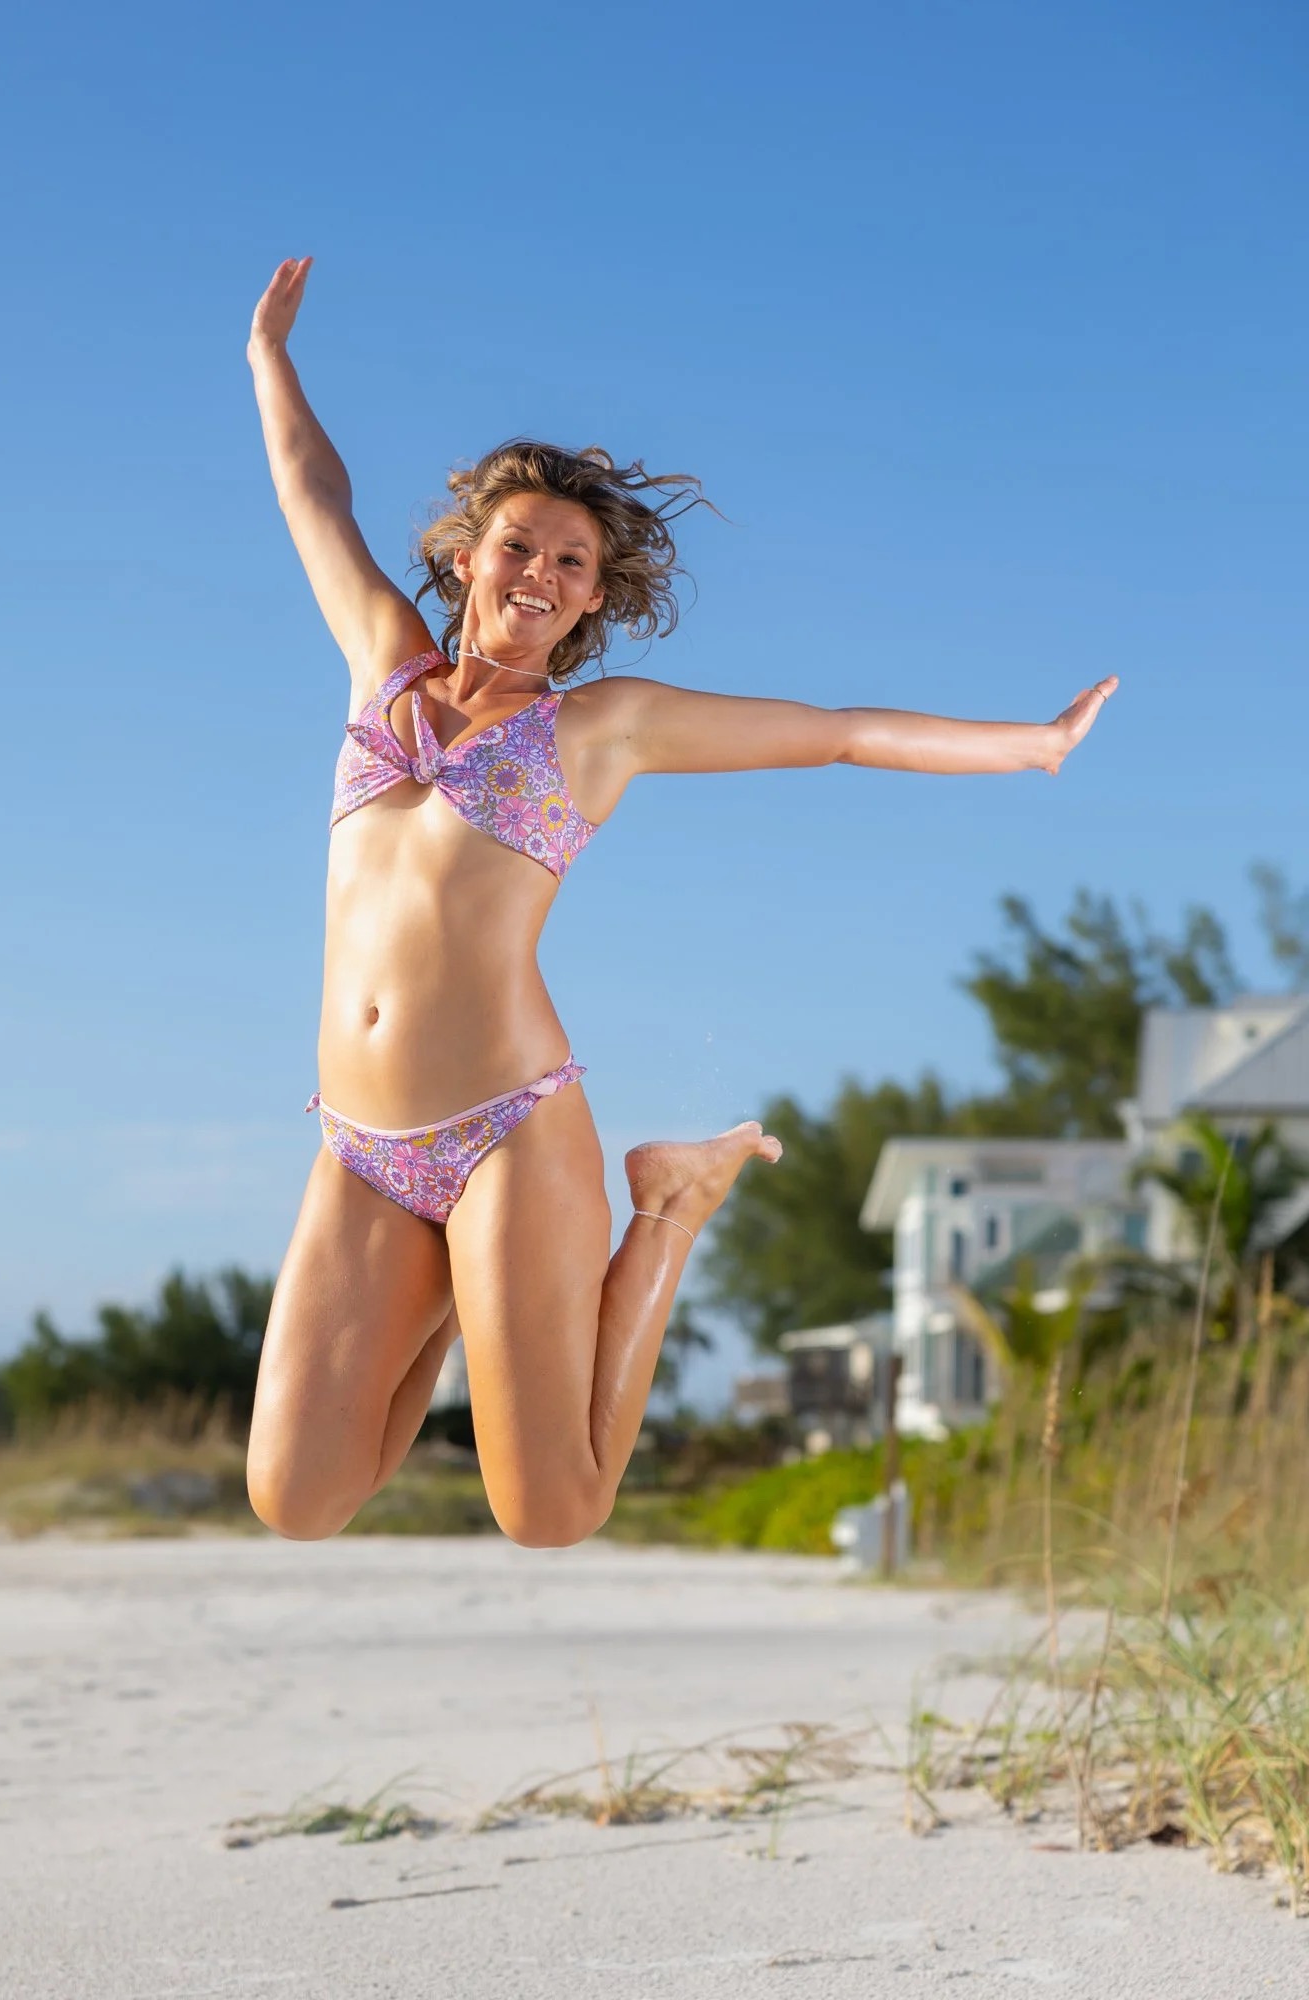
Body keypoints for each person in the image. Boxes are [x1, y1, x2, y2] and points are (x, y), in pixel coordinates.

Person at [243, 256, 1117, 1549]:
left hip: (505, 1131)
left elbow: (838, 733)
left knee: (554, 1510)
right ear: (467, 556)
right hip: (363, 1144)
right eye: (519, 546)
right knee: (297, 1499)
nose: (540, 571)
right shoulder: (382, 661)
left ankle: (672, 1204)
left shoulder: (601, 730)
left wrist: (1029, 744)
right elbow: (314, 491)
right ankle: (443, 1289)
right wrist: (270, 357)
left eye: (572, 561)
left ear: (597, 596)